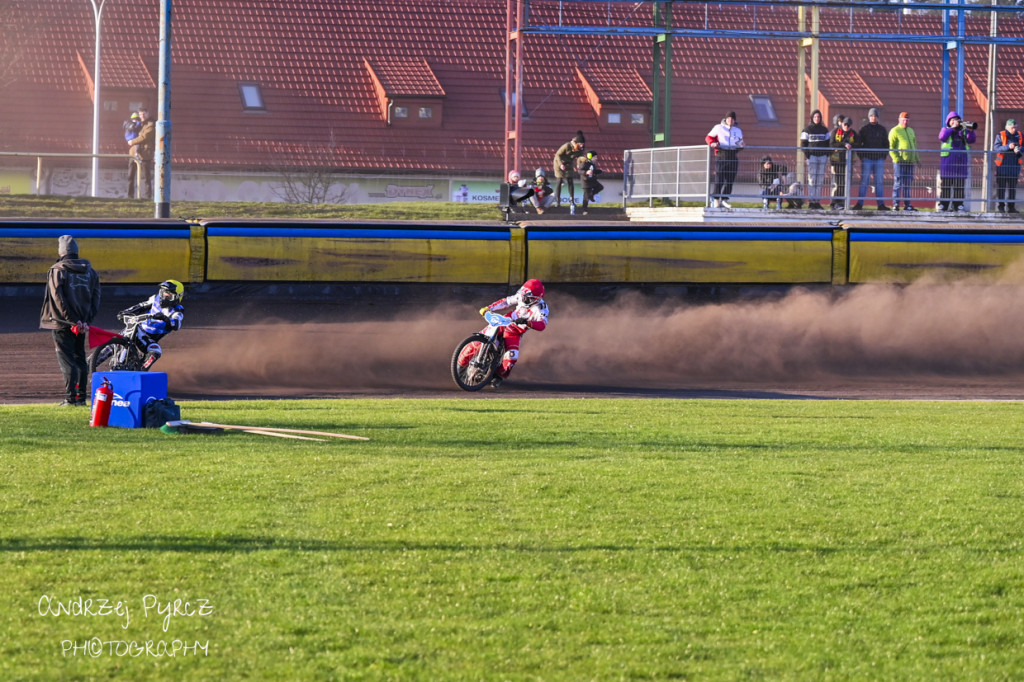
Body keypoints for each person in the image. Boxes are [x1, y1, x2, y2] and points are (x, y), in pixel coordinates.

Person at [39, 235, 101, 406]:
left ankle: (70, 399)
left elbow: (58, 298)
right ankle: (81, 399)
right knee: (80, 358)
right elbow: (96, 298)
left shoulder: (57, 270)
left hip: (62, 322)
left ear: (61, 251)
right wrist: (85, 321)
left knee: (67, 360)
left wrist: (72, 320)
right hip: (82, 324)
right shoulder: (90, 271)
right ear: (76, 251)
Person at [458, 279, 548, 388]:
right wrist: (489, 308)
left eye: (527, 298)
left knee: (512, 358)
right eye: (523, 295)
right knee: (477, 342)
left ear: (536, 299)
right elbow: (506, 302)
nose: (523, 299)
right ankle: (459, 366)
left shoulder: (541, 309)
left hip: (515, 332)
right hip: (504, 322)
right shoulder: (521, 295)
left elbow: (542, 325)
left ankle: (498, 376)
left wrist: (527, 322)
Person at [114, 280, 185, 370]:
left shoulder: (177, 311)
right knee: (116, 340)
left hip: (148, 340)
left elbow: (177, 324)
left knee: (156, 351)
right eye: (163, 293)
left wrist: (165, 318)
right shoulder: (155, 299)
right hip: (137, 329)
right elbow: (140, 306)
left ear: (177, 297)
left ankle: (141, 372)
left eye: (168, 296)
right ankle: (93, 360)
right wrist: (125, 312)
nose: (164, 297)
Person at [937, 111, 977, 212]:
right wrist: (952, 128)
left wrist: (971, 131)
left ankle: (958, 205)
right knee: (946, 185)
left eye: (957, 120)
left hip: (961, 163)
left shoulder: (963, 131)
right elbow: (942, 137)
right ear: (949, 121)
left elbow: (971, 140)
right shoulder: (945, 129)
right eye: (953, 120)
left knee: (959, 185)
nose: (956, 122)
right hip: (948, 163)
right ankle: (943, 205)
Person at [852, 107, 890, 211]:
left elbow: (886, 144)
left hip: (879, 160)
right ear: (869, 117)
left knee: (879, 182)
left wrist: (883, 156)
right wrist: (862, 157)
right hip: (867, 159)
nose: (874, 117)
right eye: (872, 116)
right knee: (864, 181)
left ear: (878, 117)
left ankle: (881, 204)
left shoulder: (882, 130)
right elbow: (859, 144)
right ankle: (859, 204)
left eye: (875, 116)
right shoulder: (864, 129)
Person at [705, 111, 744, 208]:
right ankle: (716, 199)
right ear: (726, 119)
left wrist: (742, 145)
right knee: (720, 178)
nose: (730, 120)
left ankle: (725, 199)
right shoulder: (718, 127)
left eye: (732, 119)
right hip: (721, 154)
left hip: (733, 155)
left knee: (730, 179)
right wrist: (712, 143)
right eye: (729, 118)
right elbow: (708, 137)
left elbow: (740, 142)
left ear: (735, 120)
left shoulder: (738, 131)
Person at [889, 111, 920, 211]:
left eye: (907, 120)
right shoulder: (895, 131)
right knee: (898, 182)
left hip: (910, 161)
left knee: (907, 183)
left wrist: (917, 159)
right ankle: (896, 204)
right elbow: (891, 147)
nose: (905, 122)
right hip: (899, 161)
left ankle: (907, 205)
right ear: (899, 120)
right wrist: (897, 158)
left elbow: (915, 146)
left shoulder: (911, 131)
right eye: (903, 120)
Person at [800, 109, 831, 210]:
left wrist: (826, 155)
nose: (817, 119)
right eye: (815, 117)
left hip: (822, 157)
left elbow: (828, 144)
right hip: (812, 157)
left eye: (818, 117)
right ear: (812, 118)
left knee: (820, 180)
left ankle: (817, 201)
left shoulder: (824, 130)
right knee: (812, 180)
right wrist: (808, 156)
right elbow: (803, 144)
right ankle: (811, 202)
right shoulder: (807, 130)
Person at [993, 118, 1023, 214]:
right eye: (1012, 127)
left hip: (1014, 167)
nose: (1014, 129)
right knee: (1001, 188)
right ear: (1007, 127)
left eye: (1015, 127)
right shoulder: (1000, 135)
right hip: (1002, 167)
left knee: (1012, 189)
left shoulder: (1020, 136)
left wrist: (1019, 150)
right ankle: (1001, 207)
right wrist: (1008, 147)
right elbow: (996, 148)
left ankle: (1011, 207)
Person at [127, 107, 155, 199]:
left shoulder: (151, 125)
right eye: (140, 114)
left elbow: (144, 137)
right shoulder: (137, 124)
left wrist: (132, 141)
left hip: (145, 154)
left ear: (148, 113)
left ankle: (148, 196)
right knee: (130, 175)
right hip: (134, 152)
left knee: (146, 177)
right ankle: (130, 196)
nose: (142, 116)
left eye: (144, 114)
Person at [553, 131, 586, 208]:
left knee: (570, 181)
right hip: (559, 163)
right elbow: (558, 155)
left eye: (583, 144)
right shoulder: (567, 146)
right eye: (580, 144)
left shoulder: (580, 150)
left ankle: (572, 201)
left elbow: (580, 158)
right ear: (576, 143)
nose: (582, 146)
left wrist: (580, 164)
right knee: (559, 180)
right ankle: (557, 202)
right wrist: (561, 165)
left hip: (569, 164)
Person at [829, 116, 857, 209]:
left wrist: (851, 145)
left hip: (848, 162)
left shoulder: (853, 134)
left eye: (848, 125)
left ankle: (843, 203)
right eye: (845, 124)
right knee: (838, 183)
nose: (847, 126)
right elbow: (832, 143)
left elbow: (858, 143)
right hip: (837, 161)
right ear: (842, 124)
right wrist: (844, 144)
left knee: (846, 182)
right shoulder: (835, 132)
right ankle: (835, 203)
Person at [124, 112, 142, 198]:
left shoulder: (127, 124)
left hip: (133, 148)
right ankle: (131, 195)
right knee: (132, 174)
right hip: (135, 147)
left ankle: (130, 195)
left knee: (131, 175)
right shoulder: (136, 125)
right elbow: (136, 129)